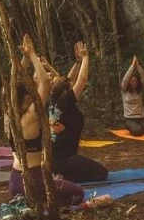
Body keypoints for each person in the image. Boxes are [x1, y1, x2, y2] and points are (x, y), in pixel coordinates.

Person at [8, 35, 84, 207]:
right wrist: (32, 54)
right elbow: (43, 81)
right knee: (78, 193)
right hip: (34, 180)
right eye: (29, 95)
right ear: (25, 98)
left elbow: (14, 82)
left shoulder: (9, 116)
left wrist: (25, 58)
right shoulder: (31, 115)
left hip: (14, 180)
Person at [44, 41, 107, 182]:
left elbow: (67, 79)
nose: (73, 87)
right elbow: (82, 79)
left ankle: (60, 174)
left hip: (56, 158)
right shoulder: (65, 100)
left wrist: (78, 62)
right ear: (67, 91)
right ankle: (63, 178)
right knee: (101, 173)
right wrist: (86, 57)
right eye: (71, 87)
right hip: (64, 160)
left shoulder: (54, 100)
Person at [121, 56, 144, 135]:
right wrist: (132, 66)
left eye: (135, 81)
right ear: (129, 82)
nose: (134, 83)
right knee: (137, 132)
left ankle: (143, 126)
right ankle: (134, 127)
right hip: (130, 118)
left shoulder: (139, 90)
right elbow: (125, 79)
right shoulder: (124, 90)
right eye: (132, 81)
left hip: (141, 117)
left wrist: (138, 66)